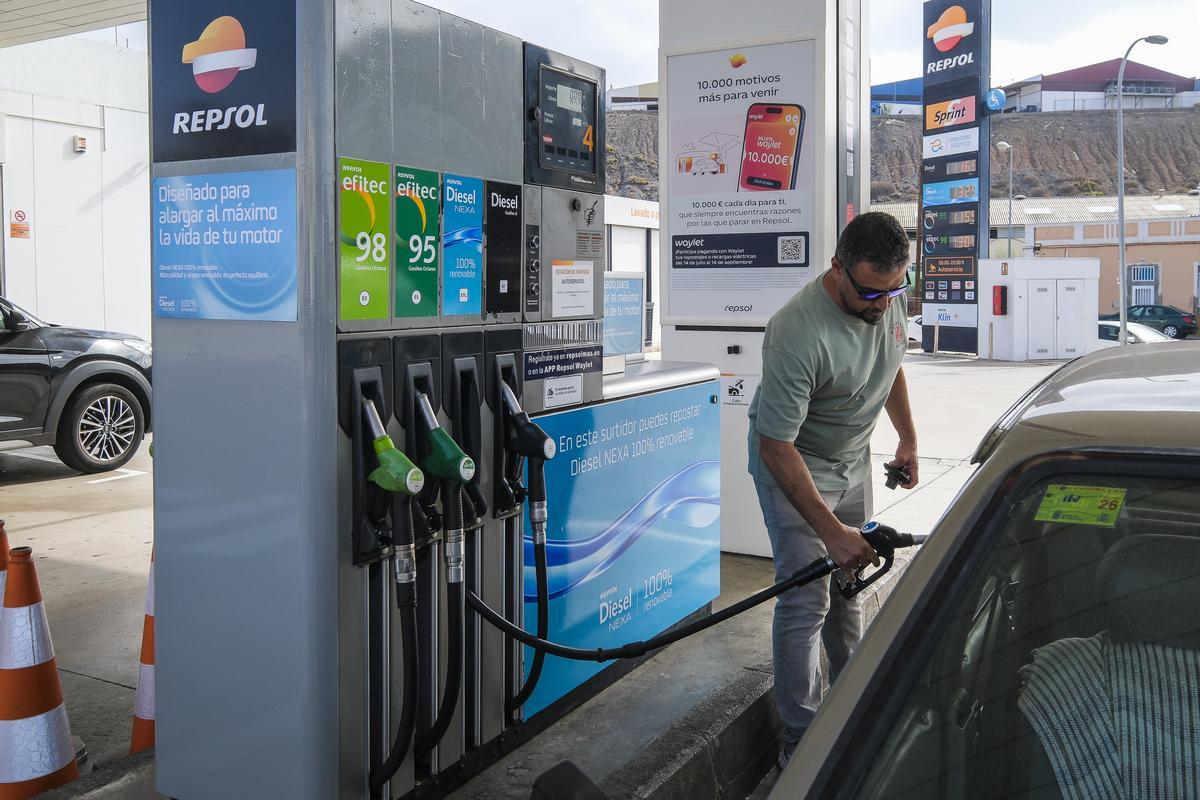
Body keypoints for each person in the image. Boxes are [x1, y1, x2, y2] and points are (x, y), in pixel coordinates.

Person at [747, 211, 918, 766]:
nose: (883, 304)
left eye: (894, 290)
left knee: (850, 588)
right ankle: (802, 742)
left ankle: (851, 710)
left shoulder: (887, 296)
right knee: (805, 601)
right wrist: (831, 531)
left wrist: (907, 438)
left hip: (853, 466)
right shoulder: (796, 332)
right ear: (837, 268)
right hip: (796, 470)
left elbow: (891, 363)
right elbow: (776, 445)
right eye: (869, 292)